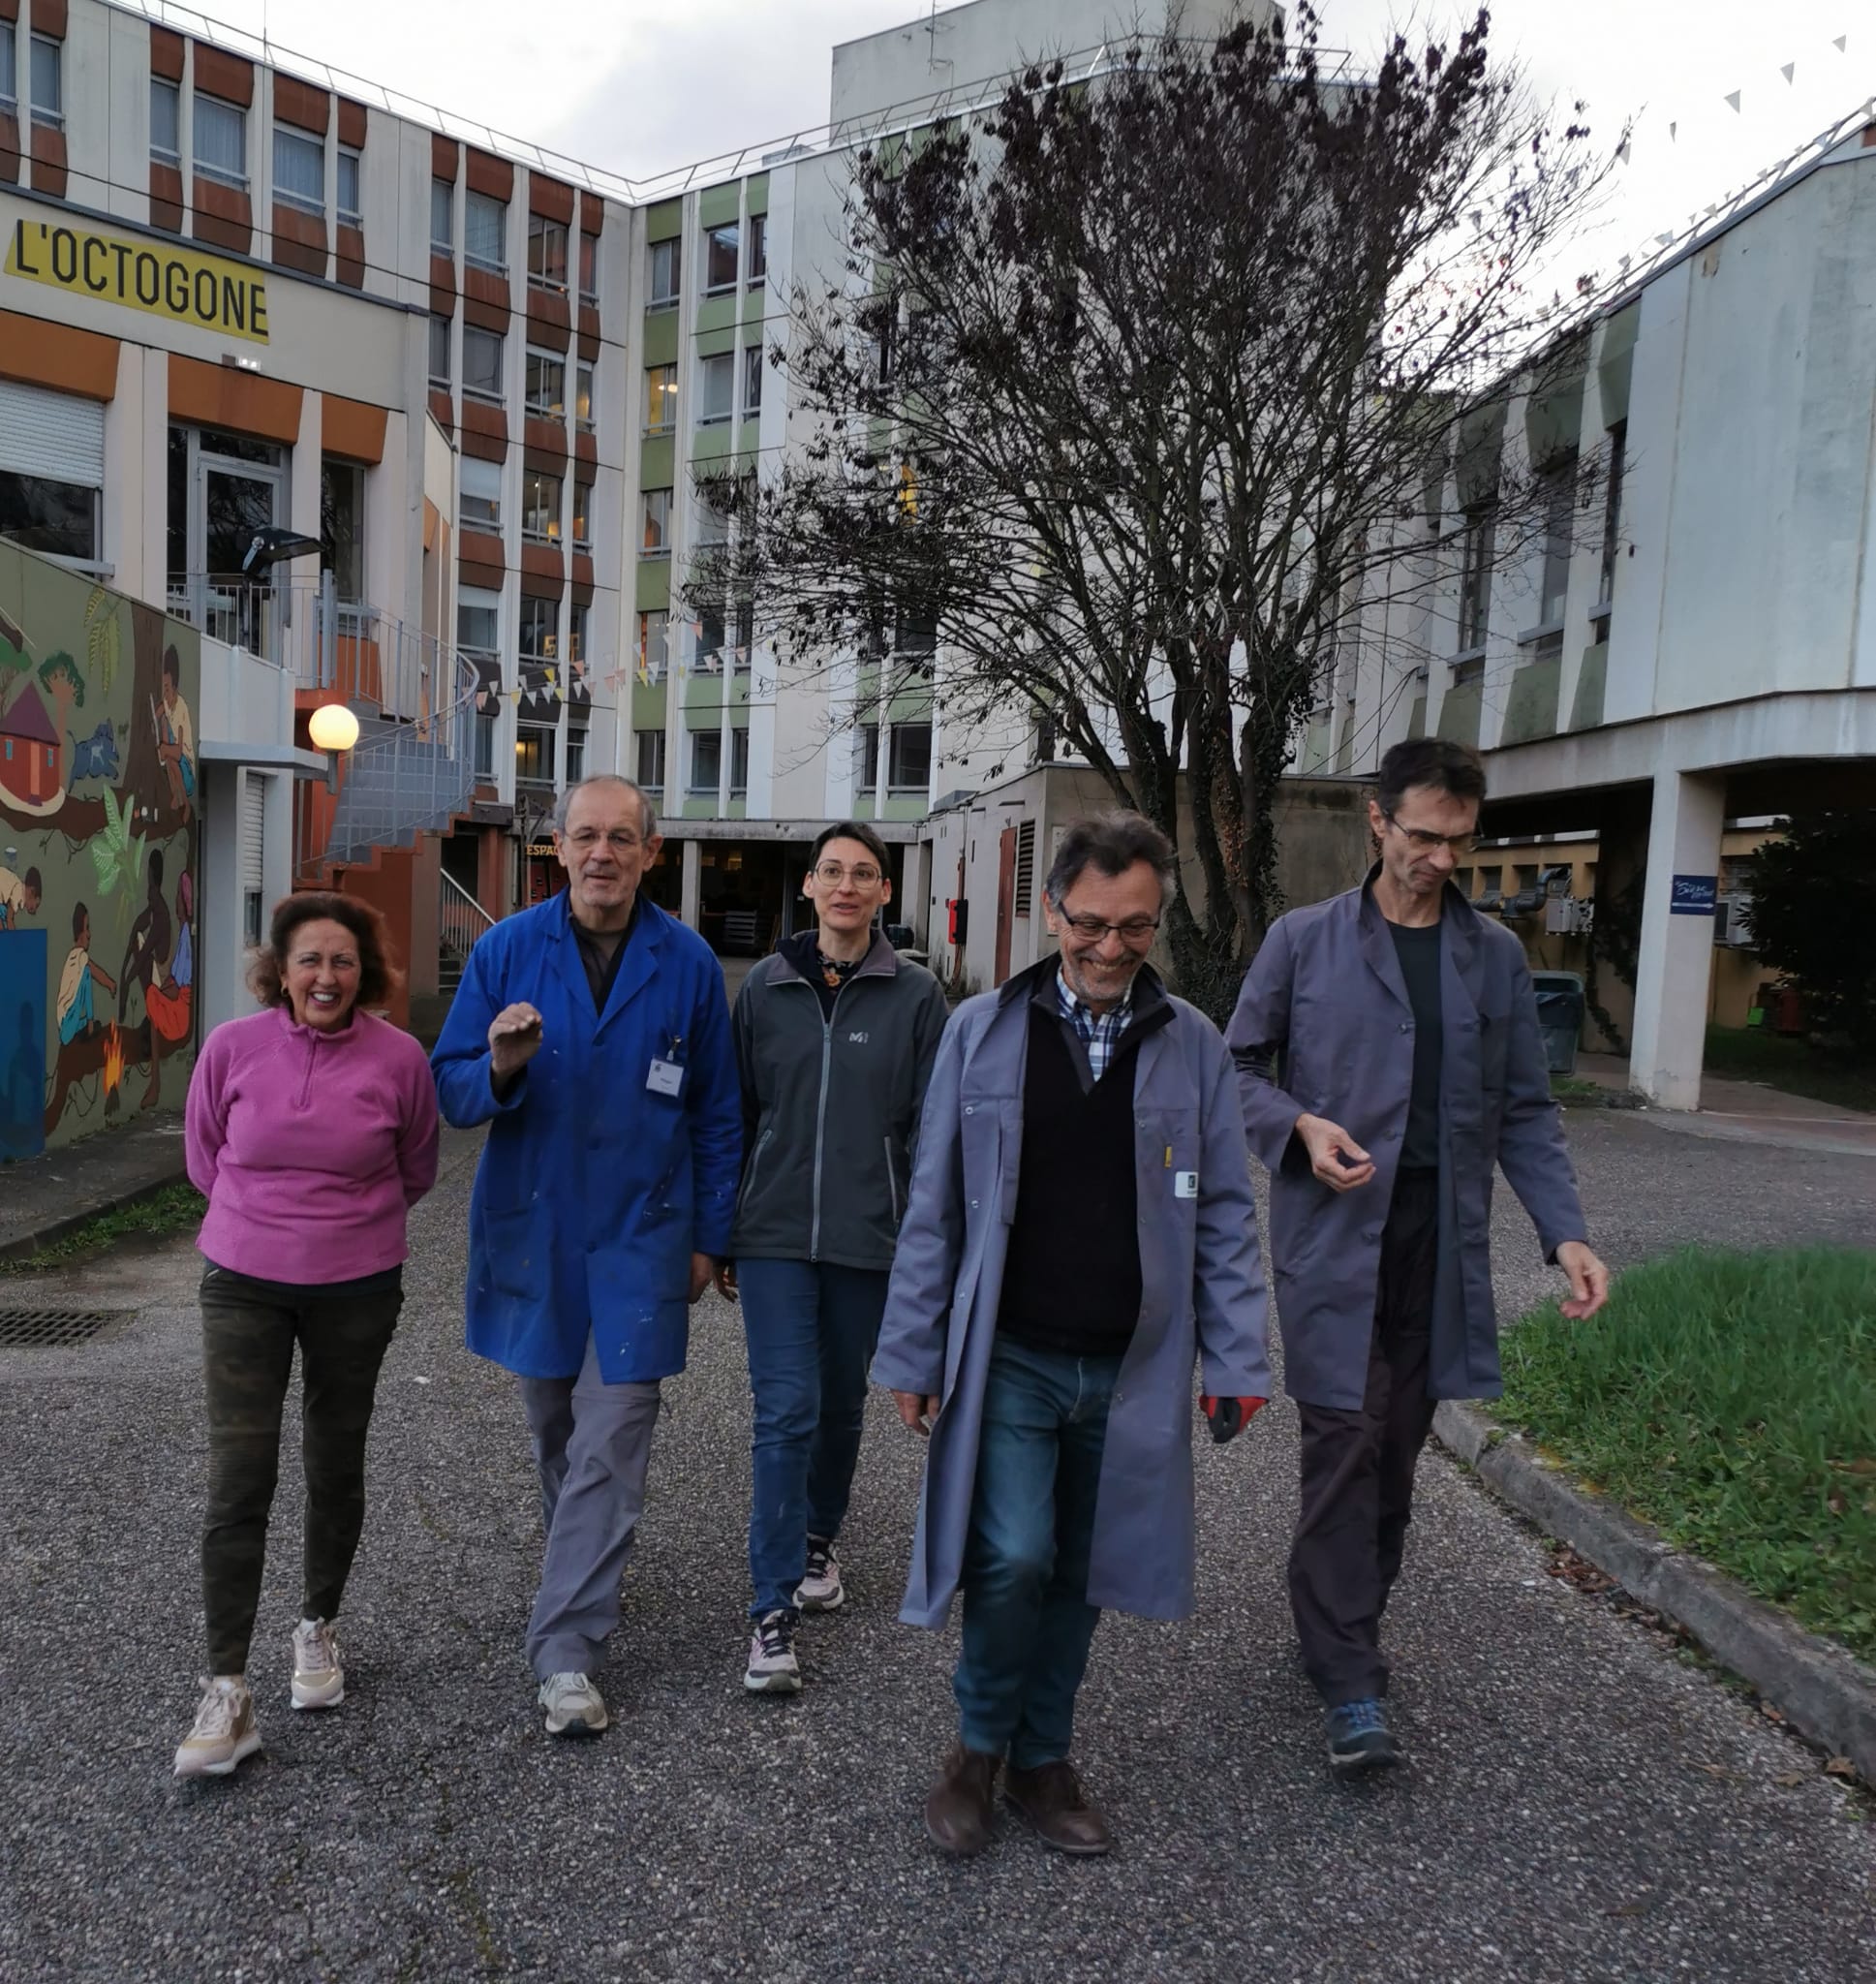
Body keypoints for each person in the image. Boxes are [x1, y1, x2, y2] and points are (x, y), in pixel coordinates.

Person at [874, 813, 1271, 1858]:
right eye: (1088, 923)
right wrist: (914, 1349)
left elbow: (1225, 1207)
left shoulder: (1194, 1043)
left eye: (1133, 928)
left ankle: (1042, 1756)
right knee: (1011, 1553)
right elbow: (935, 1208)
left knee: (1087, 1566)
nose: (1107, 947)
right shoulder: (978, 1031)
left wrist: (1234, 1356)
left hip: (1134, 1366)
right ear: (1050, 909)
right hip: (1010, 1353)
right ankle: (975, 1747)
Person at [1226, 736, 1610, 1777]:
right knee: (1344, 1447)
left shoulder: (1490, 958)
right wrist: (1298, 1126)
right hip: (1333, 1249)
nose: (1441, 858)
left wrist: (1563, 1230)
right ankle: (1349, 1676)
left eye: (1459, 841)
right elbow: (1236, 1067)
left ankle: (1338, 1620)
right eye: (1424, 836)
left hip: (1437, 1256)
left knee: (1391, 1466)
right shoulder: (1301, 941)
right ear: (1377, 821)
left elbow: (1524, 1108)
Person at [431, 775, 740, 1739]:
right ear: (556, 848)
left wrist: (709, 1235)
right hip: (540, 1229)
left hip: (645, 1236)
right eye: (584, 836)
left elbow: (718, 1112)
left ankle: (566, 1649)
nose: (601, 852)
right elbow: (452, 1089)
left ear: (650, 852)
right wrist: (502, 1065)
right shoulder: (506, 950)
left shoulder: (685, 962)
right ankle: (587, 1566)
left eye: (621, 837)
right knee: (558, 1430)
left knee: (616, 1431)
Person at [174, 892, 439, 1779]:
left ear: (365, 974)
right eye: (309, 961)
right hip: (243, 1282)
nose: (326, 977)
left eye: (344, 962)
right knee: (238, 1477)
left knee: (335, 1458)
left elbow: (417, 1167)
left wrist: (338, 1229)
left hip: (356, 1287)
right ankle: (226, 1689)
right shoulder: (232, 1047)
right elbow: (203, 1153)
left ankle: (317, 1629)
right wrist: (266, 1224)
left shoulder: (399, 1058)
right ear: (278, 973)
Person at [723, 821, 948, 1693]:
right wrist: (723, 1229)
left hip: (869, 1239)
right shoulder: (765, 991)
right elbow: (734, 1116)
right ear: (808, 887)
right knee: (786, 1407)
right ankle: (770, 1608)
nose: (846, 886)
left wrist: (926, 1247)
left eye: (863, 874)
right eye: (831, 872)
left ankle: (819, 1537)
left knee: (842, 1404)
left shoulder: (917, 996)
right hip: (775, 1236)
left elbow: (933, 1132)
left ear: (883, 893)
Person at [55, 902, 116, 1044]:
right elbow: (95, 972)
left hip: (68, 1024)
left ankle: (86, 1026)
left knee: (98, 1026)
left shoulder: (72, 956)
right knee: (87, 973)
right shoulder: (80, 956)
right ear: (80, 932)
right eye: (87, 928)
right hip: (68, 1024)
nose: (89, 934)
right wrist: (110, 984)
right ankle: (89, 1023)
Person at [0, 863, 41, 930]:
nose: (34, 909)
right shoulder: (19, 892)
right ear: (31, 891)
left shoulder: (17, 888)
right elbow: (9, 918)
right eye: (33, 906)